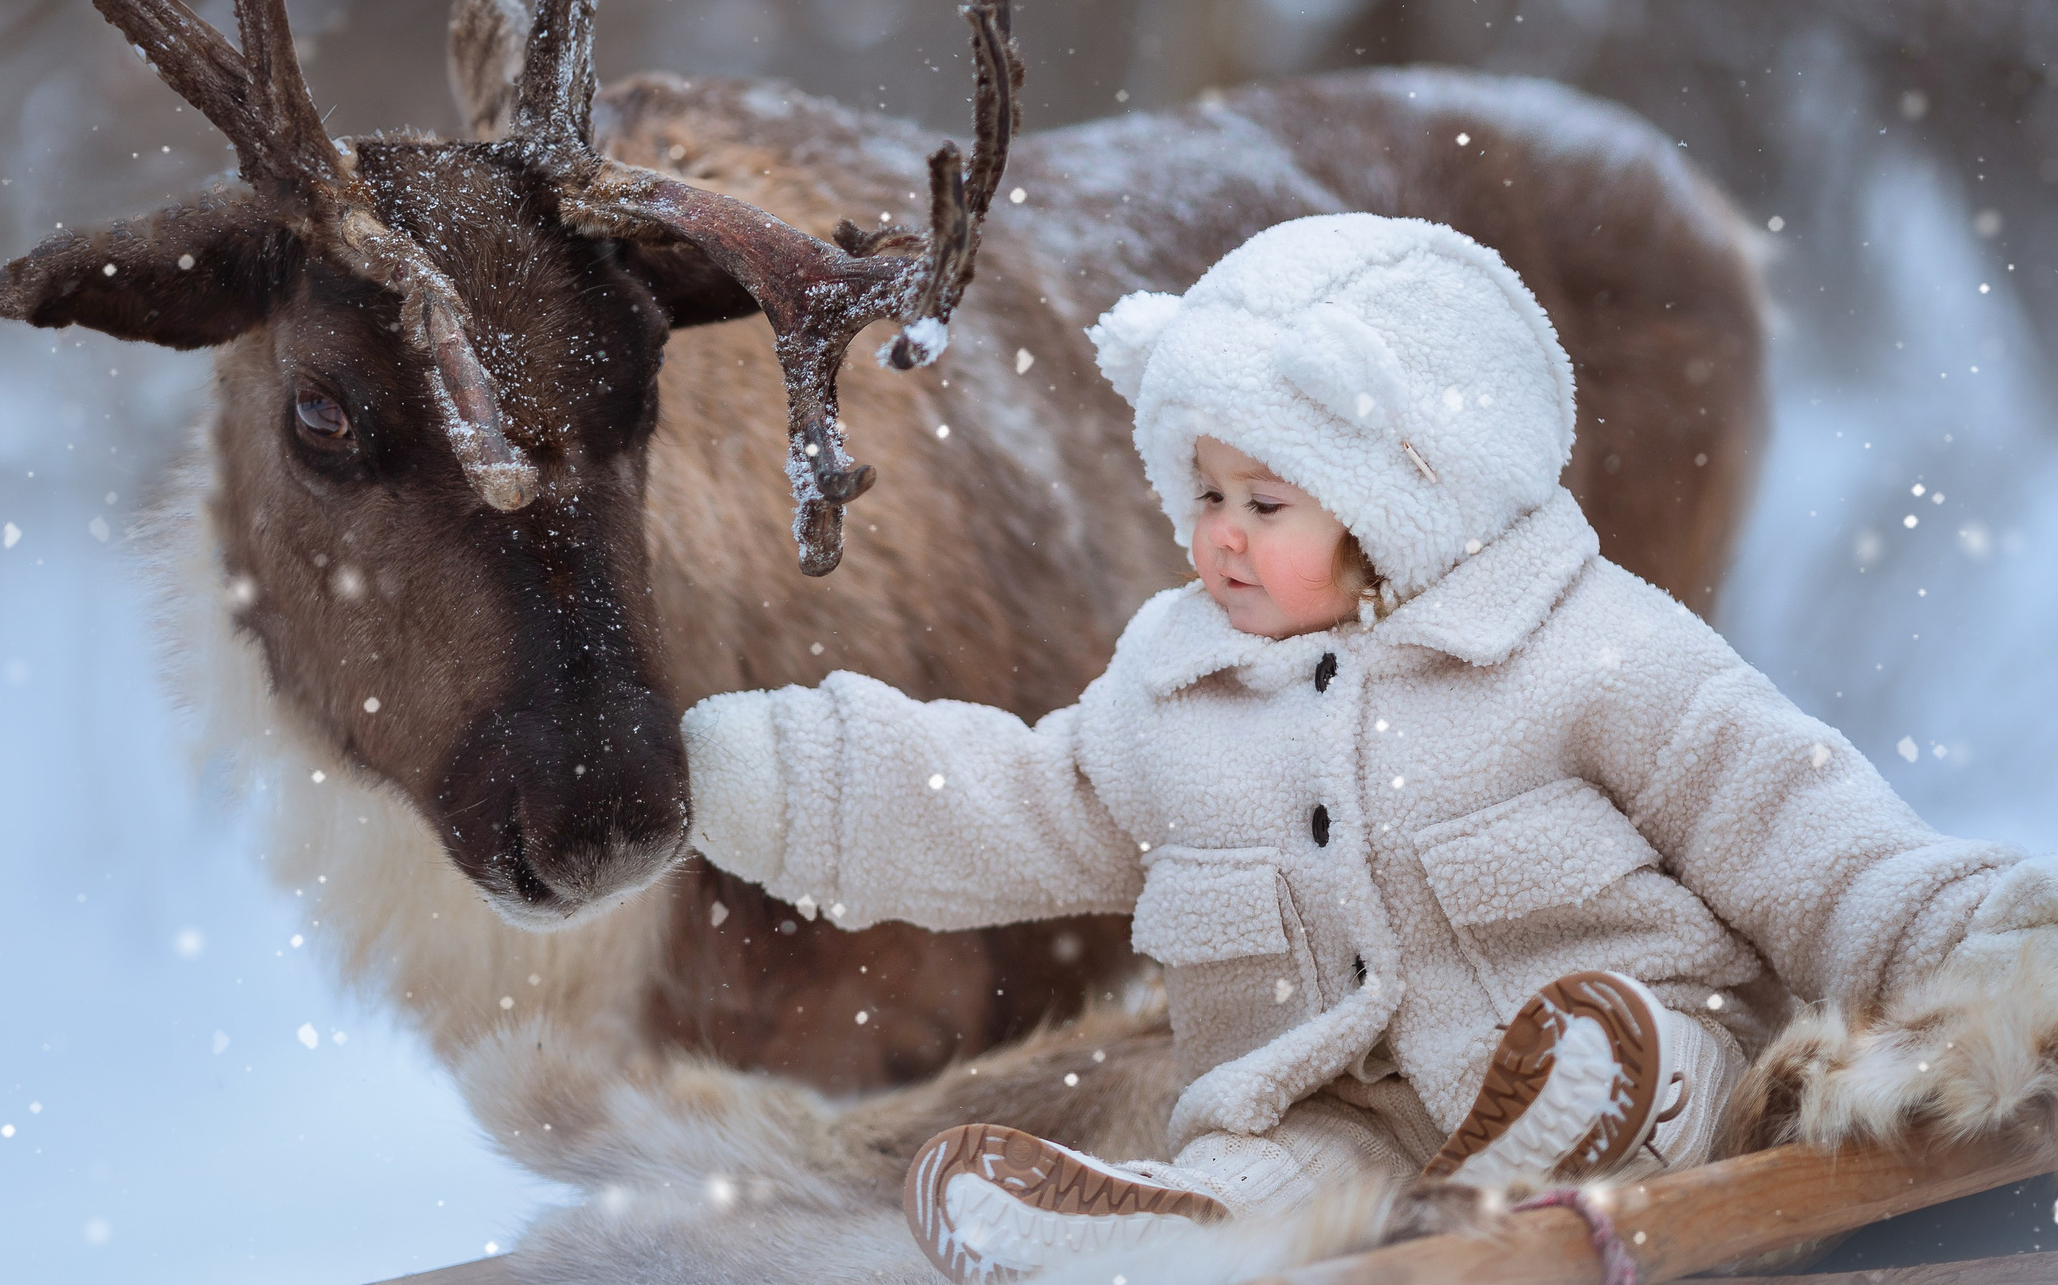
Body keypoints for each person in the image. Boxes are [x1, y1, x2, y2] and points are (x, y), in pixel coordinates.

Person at [680, 213, 2054, 1282]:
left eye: (1265, 498)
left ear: (1409, 493)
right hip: (1325, 1116)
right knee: (1260, 1166)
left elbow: (1799, 836)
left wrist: (1987, 949)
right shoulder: (1178, 692)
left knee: (1630, 1053)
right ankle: (1155, 1236)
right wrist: (756, 778)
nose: (1218, 530)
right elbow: (1009, 801)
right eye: (1204, 489)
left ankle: (1567, 1131)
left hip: (1646, 1056)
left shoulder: (1589, 651)